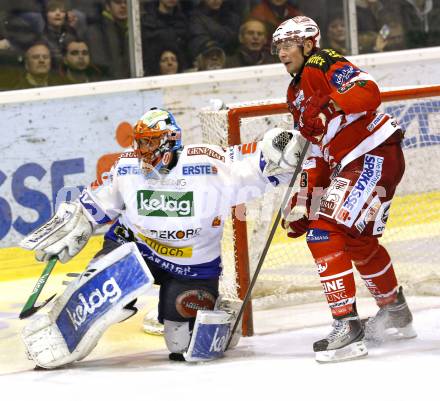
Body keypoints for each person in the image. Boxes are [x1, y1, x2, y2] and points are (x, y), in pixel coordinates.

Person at [20, 107, 306, 368]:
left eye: (150, 142)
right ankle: (63, 321)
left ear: (169, 142)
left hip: (192, 267)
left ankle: (222, 316)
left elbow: (254, 159)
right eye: (140, 142)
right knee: (110, 287)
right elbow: (93, 204)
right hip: (135, 248)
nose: (142, 149)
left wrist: (280, 147)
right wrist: (77, 222)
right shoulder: (127, 166)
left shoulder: (207, 164)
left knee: (183, 347)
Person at [271, 16, 416, 363]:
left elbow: (369, 91)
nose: (281, 53)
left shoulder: (322, 62)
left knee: (324, 233)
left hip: (372, 154)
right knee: (355, 240)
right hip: (357, 161)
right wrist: (304, 201)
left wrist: (332, 103)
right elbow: (316, 153)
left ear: (308, 45)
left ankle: (347, 328)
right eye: (277, 47)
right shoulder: (295, 93)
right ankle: (396, 312)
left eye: (288, 45)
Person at [86, 0, 129, 79]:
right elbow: (100, 66)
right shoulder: (96, 31)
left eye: (127, 2)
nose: (123, 6)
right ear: (107, 6)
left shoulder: (135, 30)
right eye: (118, 2)